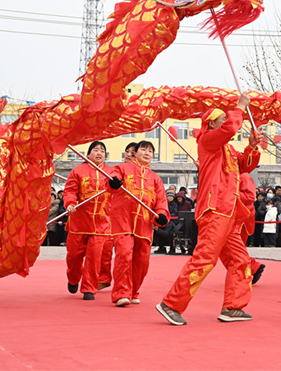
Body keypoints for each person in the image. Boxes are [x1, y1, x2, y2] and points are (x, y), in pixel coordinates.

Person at [157, 93, 261, 326]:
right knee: (204, 259)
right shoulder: (207, 140)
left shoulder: (227, 150)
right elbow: (230, 129)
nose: (227, 120)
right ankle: (171, 304)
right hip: (215, 210)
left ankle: (233, 307)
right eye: (222, 118)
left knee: (240, 260)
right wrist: (240, 108)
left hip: (228, 212)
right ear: (212, 123)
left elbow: (246, 165)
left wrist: (253, 147)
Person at [107, 140, 169, 307]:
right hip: (123, 220)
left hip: (144, 223)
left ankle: (134, 291)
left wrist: (162, 214)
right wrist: (113, 181)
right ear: (136, 152)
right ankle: (121, 293)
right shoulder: (123, 168)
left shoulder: (156, 179)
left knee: (142, 261)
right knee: (124, 255)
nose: (147, 153)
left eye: (150, 151)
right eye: (143, 149)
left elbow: (161, 201)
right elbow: (112, 179)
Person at [63, 141, 114, 300]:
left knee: (94, 258)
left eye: (103, 151)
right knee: (73, 257)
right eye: (96, 150)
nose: (99, 153)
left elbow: (118, 192)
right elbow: (70, 191)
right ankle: (73, 278)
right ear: (88, 154)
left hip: (101, 223)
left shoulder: (112, 173)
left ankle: (89, 288)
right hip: (79, 222)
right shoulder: (78, 171)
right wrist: (71, 203)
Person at [98, 142, 139, 291]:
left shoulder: (144, 174)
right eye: (127, 151)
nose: (128, 155)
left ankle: (131, 285)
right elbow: (109, 182)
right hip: (114, 216)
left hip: (135, 218)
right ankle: (104, 278)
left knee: (130, 255)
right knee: (107, 249)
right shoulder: (119, 169)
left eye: (132, 152)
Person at [237, 172, 265, 283]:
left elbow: (249, 197)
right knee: (235, 249)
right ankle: (249, 268)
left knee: (234, 249)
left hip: (241, 218)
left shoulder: (244, 176)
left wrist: (231, 192)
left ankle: (252, 267)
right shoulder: (234, 175)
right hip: (236, 217)